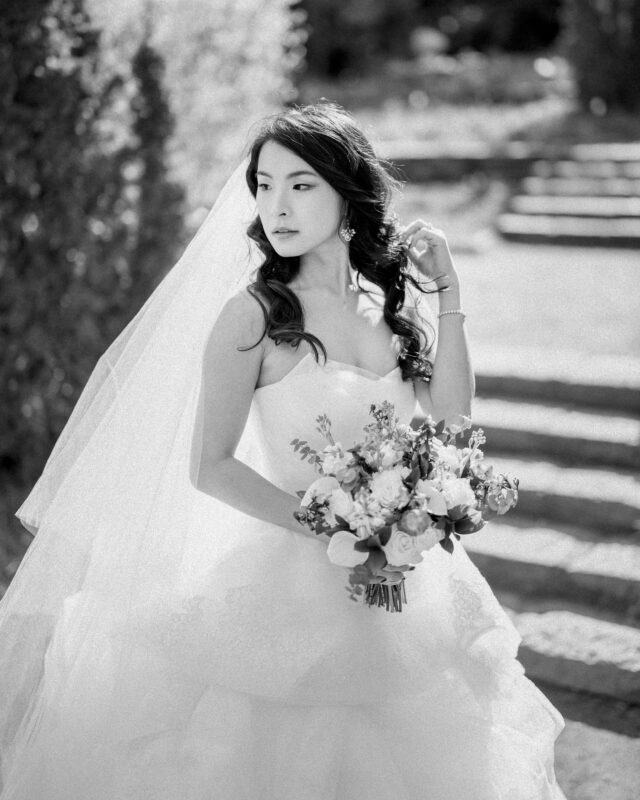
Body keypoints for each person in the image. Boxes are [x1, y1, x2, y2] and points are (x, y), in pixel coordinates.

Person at [0, 102, 567, 799]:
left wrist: (447, 291)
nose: (277, 206)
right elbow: (210, 467)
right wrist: (341, 529)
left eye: (300, 185)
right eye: (264, 186)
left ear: (346, 191)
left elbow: (452, 420)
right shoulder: (256, 317)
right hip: (291, 581)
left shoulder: (388, 305)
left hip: (407, 587)